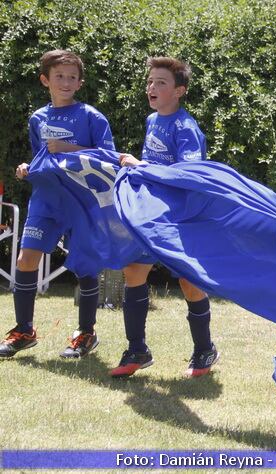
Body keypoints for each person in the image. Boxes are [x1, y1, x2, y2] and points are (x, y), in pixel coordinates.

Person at [0, 49, 115, 359]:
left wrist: (70, 148)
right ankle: (24, 331)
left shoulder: (92, 116)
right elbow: (44, 158)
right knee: (25, 260)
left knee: (84, 266)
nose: (65, 82)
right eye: (59, 76)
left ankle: (85, 334)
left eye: (72, 77)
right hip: (46, 200)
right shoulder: (37, 118)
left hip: (82, 203)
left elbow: (110, 160)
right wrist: (28, 166)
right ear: (44, 80)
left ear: (80, 83)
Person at [109, 57, 218, 378]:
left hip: (183, 216)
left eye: (161, 83)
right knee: (133, 270)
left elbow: (189, 174)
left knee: (188, 281)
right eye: (150, 81)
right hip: (152, 214)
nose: (152, 87)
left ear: (179, 91)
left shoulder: (186, 128)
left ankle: (204, 351)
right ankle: (137, 350)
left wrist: (139, 166)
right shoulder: (152, 120)